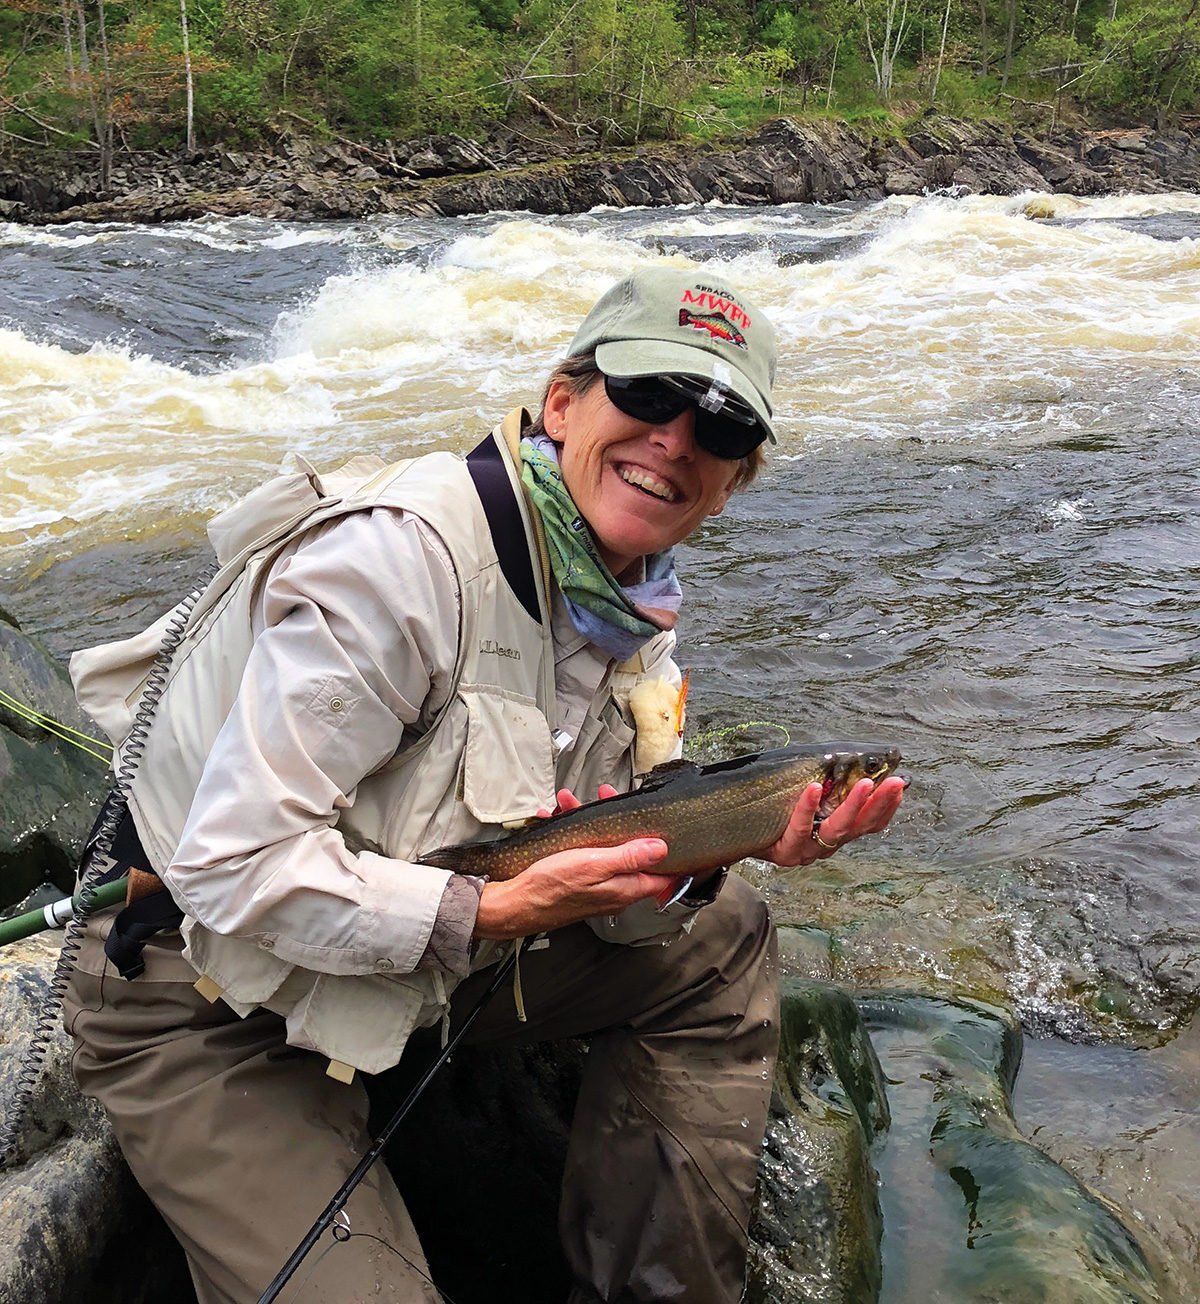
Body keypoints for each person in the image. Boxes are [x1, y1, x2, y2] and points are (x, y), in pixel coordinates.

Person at [63, 266, 905, 1304]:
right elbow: (231, 864)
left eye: (721, 429)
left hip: (418, 954)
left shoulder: (632, 610)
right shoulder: (398, 563)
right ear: (562, 402)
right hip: (210, 992)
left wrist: (715, 848)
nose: (676, 441)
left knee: (721, 937)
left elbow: (626, 874)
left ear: (736, 478)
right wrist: (495, 907)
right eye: (646, 396)